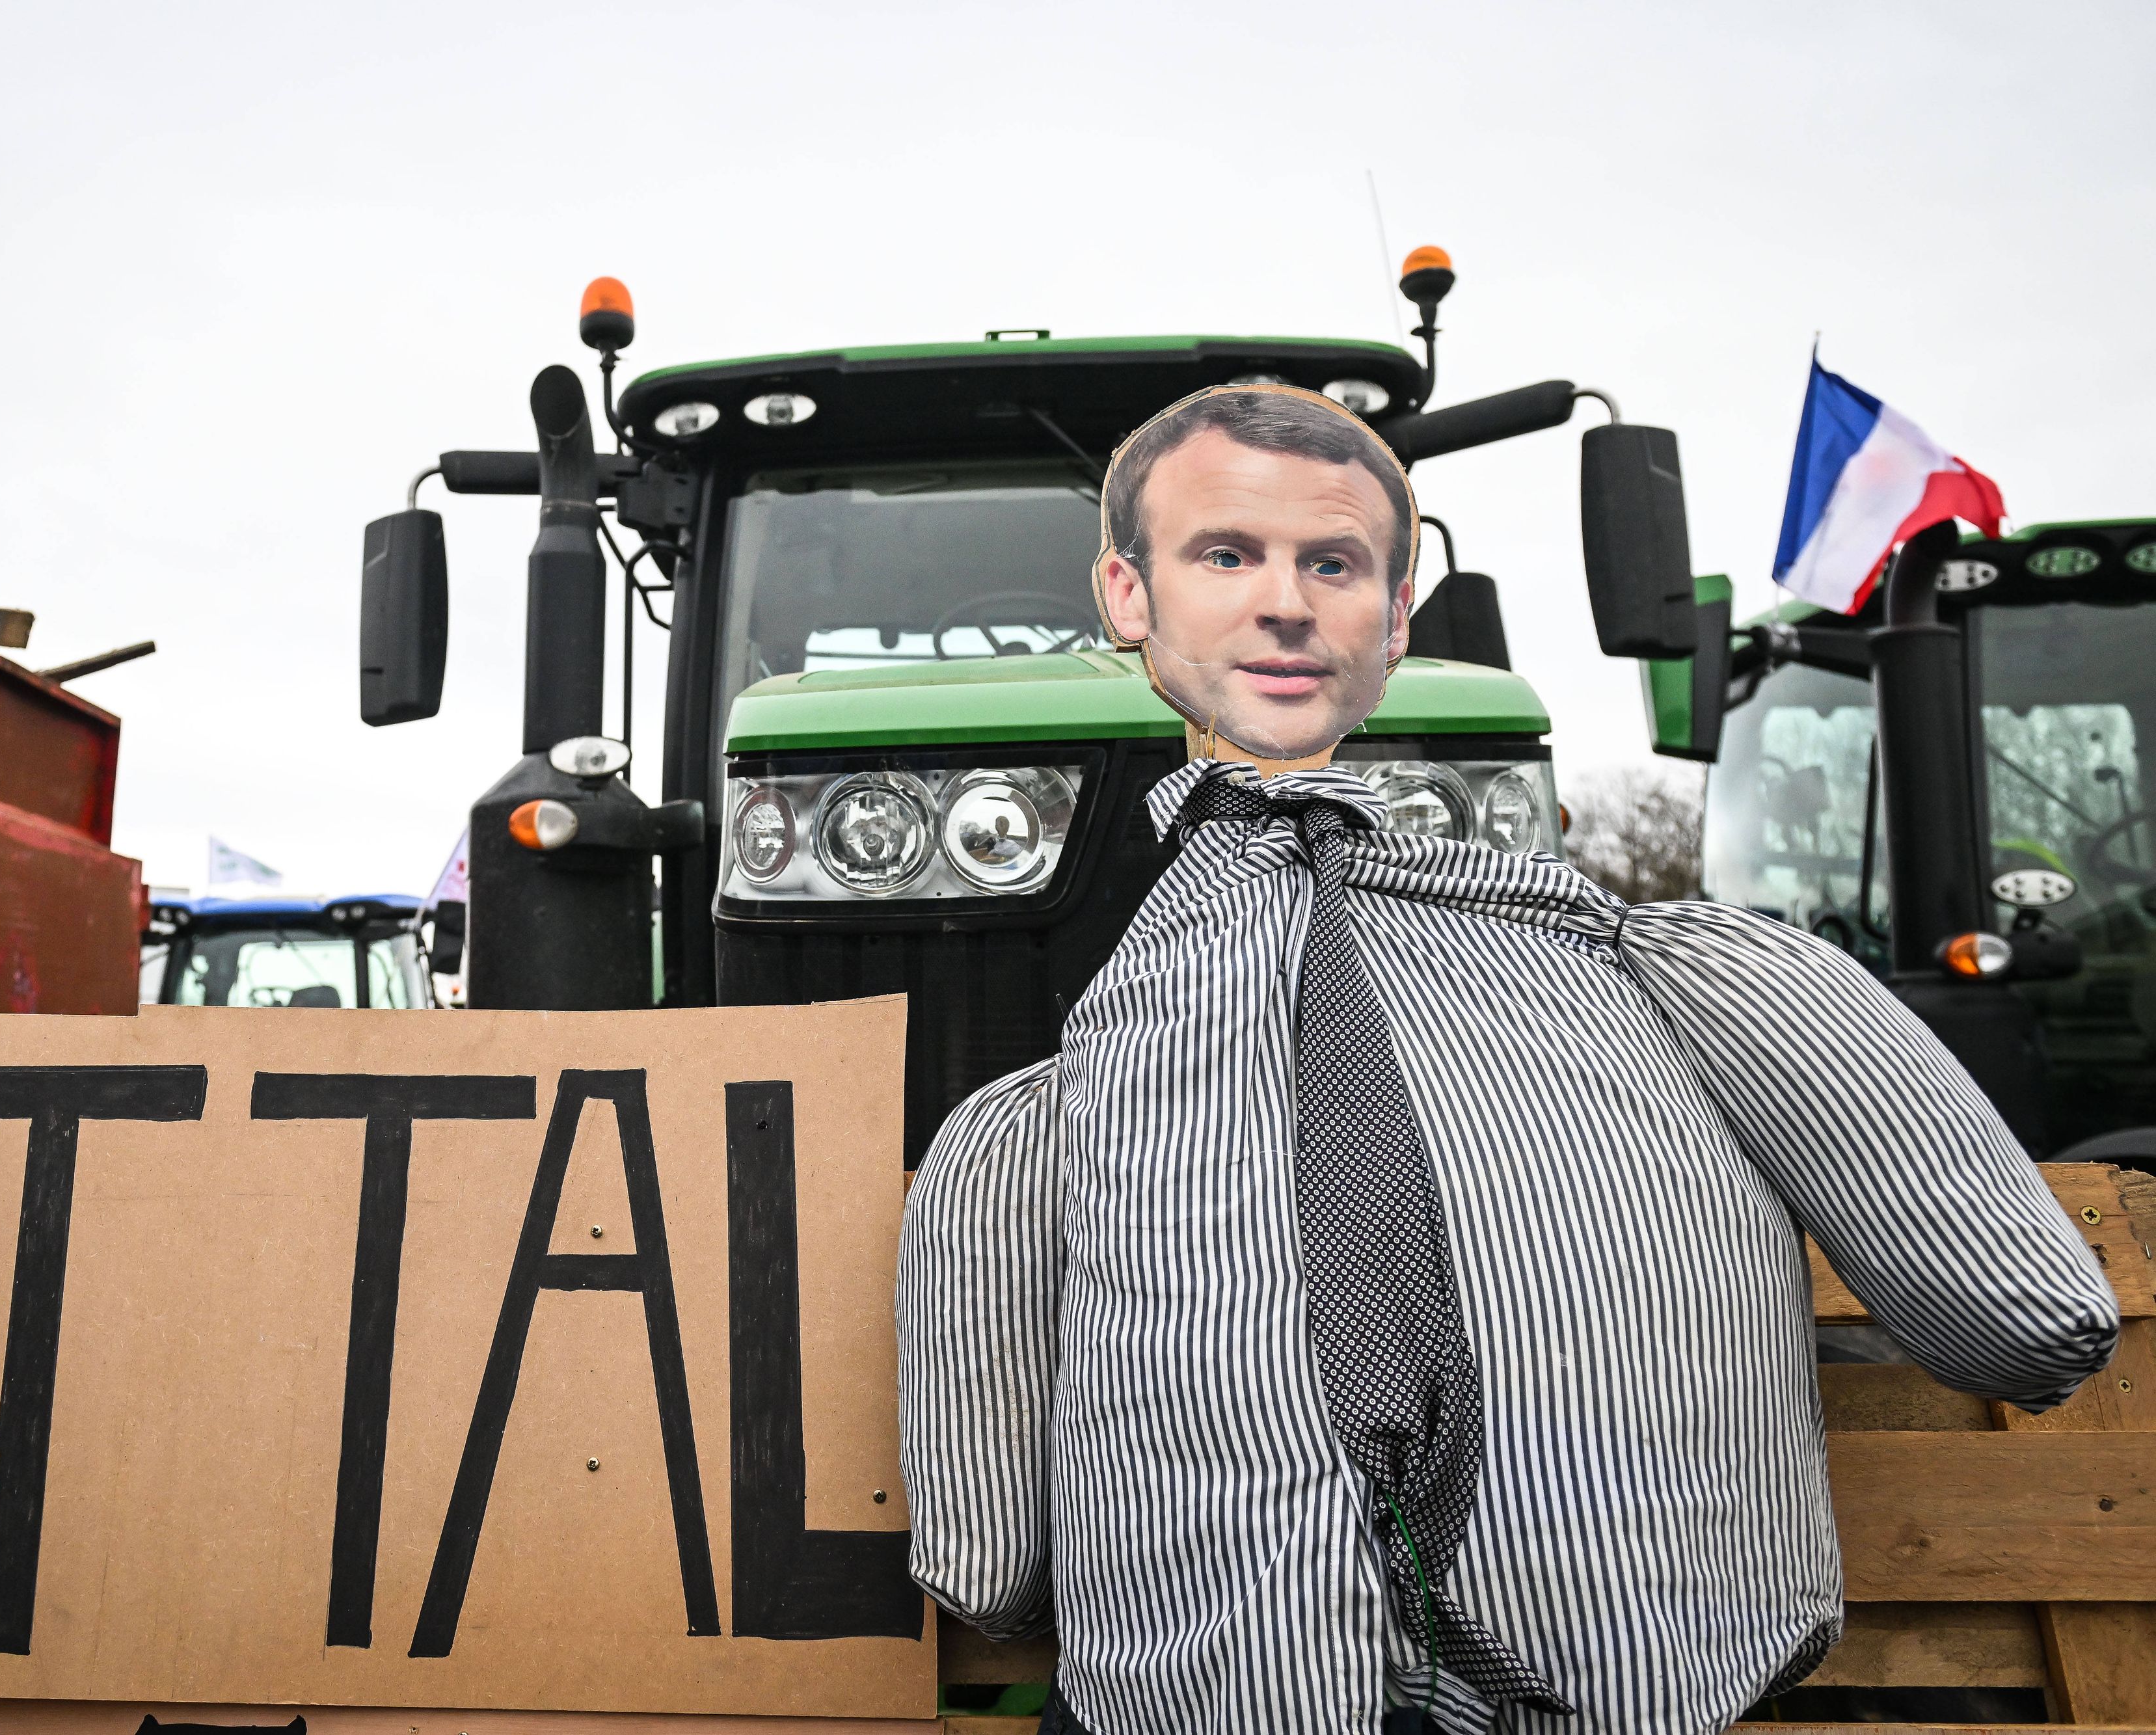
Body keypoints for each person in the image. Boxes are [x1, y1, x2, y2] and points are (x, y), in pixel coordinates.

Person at [894, 384, 2120, 1735]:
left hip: (1643, 1688)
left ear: (1397, 615)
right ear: (1127, 595)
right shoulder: (1052, 1121)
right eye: (1226, 554)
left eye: (1333, 562)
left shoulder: (1657, 971)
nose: (1285, 604)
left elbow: (2017, 1316)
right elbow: (988, 1551)